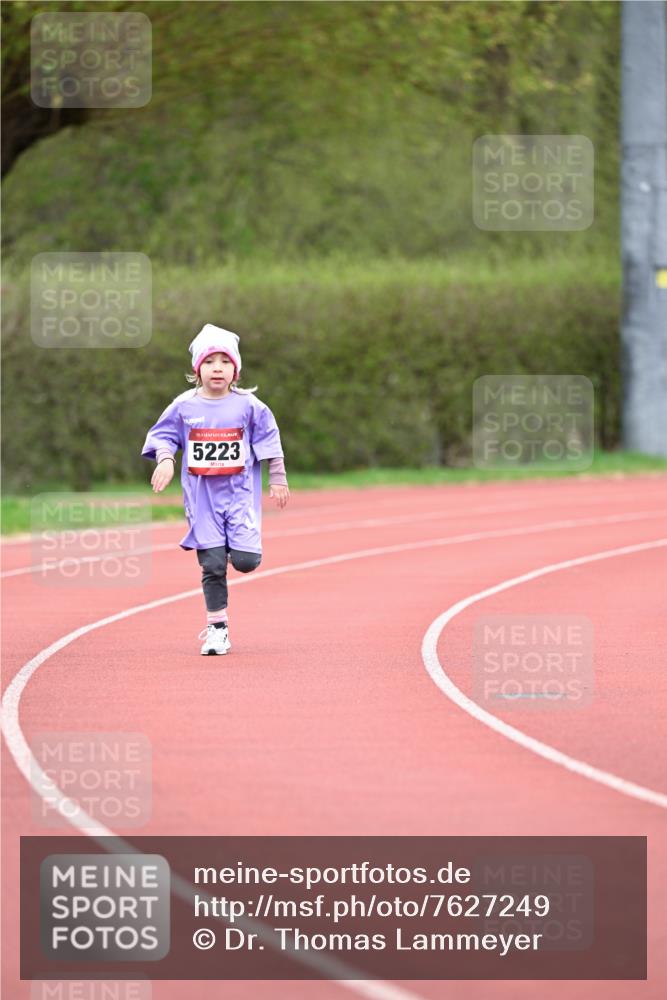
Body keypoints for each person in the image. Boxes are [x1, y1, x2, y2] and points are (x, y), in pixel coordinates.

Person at [141, 323, 289, 655]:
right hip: (202, 499)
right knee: (212, 565)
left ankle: (233, 549)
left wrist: (277, 477)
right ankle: (216, 630)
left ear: (235, 369)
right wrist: (165, 459)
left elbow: (269, 438)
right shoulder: (184, 406)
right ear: (197, 369)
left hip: (239, 497)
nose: (217, 368)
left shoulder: (250, 406)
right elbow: (163, 435)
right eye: (209, 362)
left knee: (247, 561)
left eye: (224, 361)